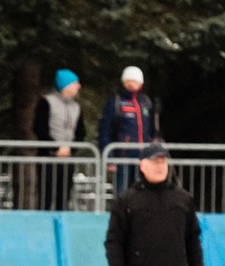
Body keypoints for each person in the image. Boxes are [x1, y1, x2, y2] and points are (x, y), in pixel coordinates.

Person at [97, 65, 158, 195]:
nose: (131, 84)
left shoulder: (146, 102)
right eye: (128, 80)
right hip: (122, 156)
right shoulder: (115, 102)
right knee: (123, 193)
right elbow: (105, 130)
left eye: (134, 81)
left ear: (140, 83)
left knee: (143, 192)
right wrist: (109, 157)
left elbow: (153, 130)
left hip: (144, 156)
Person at [33, 68, 85, 211]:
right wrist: (56, 148)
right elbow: (39, 128)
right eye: (75, 83)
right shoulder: (46, 102)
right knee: (46, 196)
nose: (78, 86)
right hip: (48, 157)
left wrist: (70, 149)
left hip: (67, 159)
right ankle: (43, 226)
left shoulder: (76, 107)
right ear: (66, 85)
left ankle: (61, 227)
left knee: (64, 196)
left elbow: (81, 132)